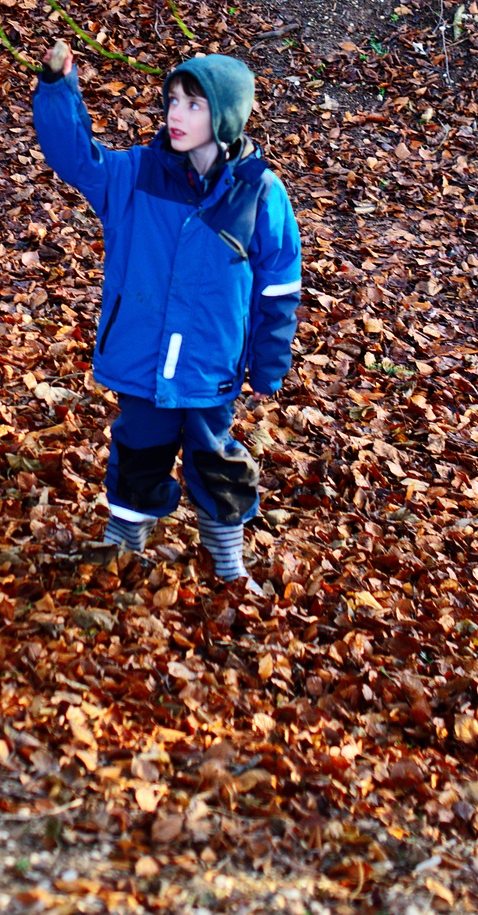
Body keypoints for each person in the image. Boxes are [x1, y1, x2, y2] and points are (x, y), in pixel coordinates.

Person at [32, 41, 302, 584]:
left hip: (210, 364)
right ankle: (122, 547)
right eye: (173, 100)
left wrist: (268, 363)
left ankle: (227, 563)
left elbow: (279, 285)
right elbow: (75, 157)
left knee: (215, 460)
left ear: (225, 117)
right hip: (142, 356)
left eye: (194, 104)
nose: (176, 114)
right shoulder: (136, 174)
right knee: (138, 452)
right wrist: (58, 88)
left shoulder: (258, 192)